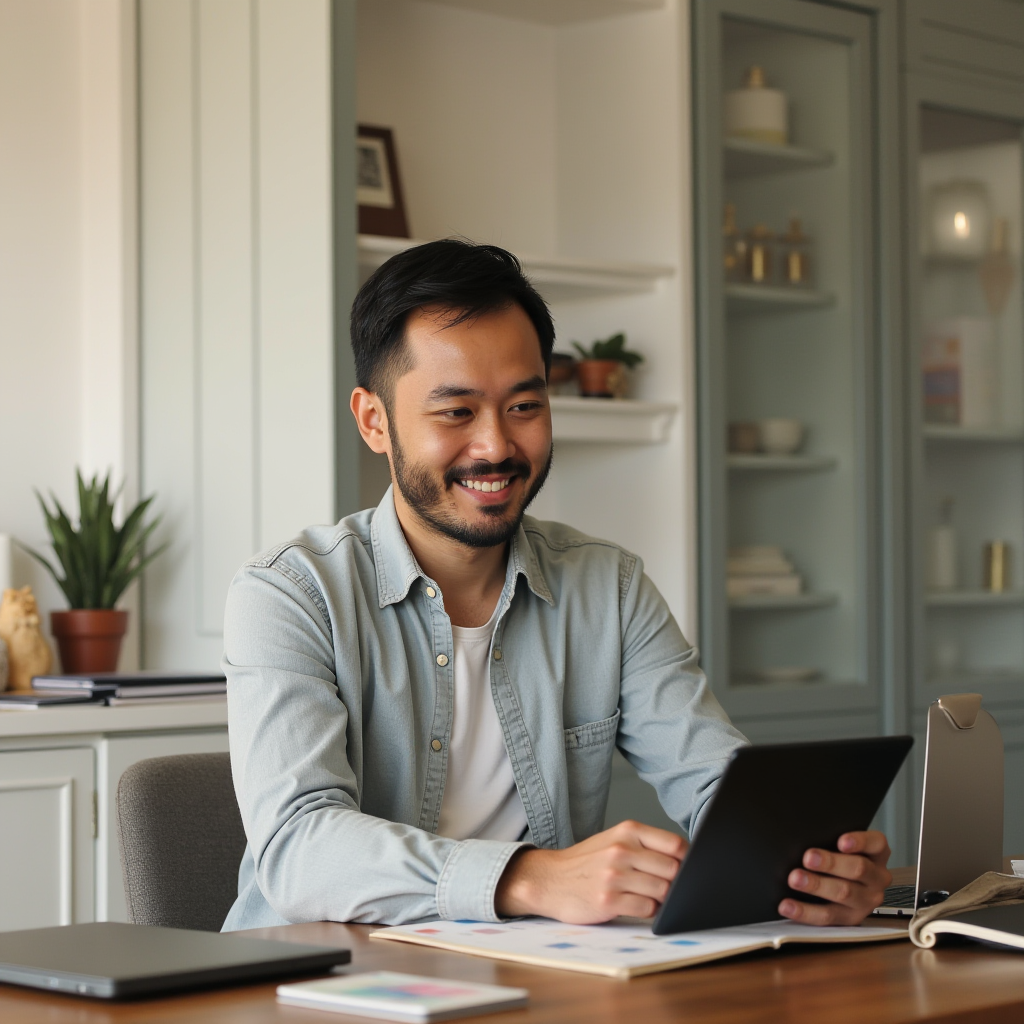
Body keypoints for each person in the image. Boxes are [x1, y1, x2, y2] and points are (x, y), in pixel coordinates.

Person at [221, 239, 892, 931]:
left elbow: (716, 784)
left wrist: (806, 863)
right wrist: (529, 877)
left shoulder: (609, 586)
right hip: (320, 983)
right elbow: (298, 849)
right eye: (456, 412)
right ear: (374, 421)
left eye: (524, 406)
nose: (496, 446)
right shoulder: (289, 595)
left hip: (539, 977)